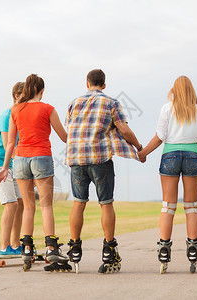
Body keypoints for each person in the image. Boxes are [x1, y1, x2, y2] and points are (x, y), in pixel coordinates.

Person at [138, 76, 197, 274]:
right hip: (193, 155)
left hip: (170, 156)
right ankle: (193, 248)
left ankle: (164, 248)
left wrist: (143, 153)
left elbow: (160, 136)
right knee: (191, 206)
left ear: (174, 90)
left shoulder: (167, 109)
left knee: (168, 206)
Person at [65, 69, 143, 274]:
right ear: (104, 85)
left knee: (78, 203)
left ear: (87, 83)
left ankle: (74, 248)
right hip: (100, 158)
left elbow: (71, 128)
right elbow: (124, 130)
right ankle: (109, 250)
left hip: (76, 159)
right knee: (106, 203)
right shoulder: (111, 102)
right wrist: (139, 147)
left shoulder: (74, 103)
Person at [0, 74, 70, 271]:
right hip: (41, 158)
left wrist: (5, 167)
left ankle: (27, 248)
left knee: (28, 207)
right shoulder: (48, 108)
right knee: (46, 205)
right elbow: (64, 137)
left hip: (20, 160)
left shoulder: (15, 110)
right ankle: (51, 247)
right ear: (42, 90)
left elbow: (11, 142)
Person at [0, 82, 25, 256]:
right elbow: (6, 144)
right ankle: (4, 247)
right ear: (17, 96)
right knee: (11, 204)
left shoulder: (18, 116)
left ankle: (16, 245)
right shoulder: (6, 116)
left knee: (21, 203)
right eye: (26, 96)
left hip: (11, 165)